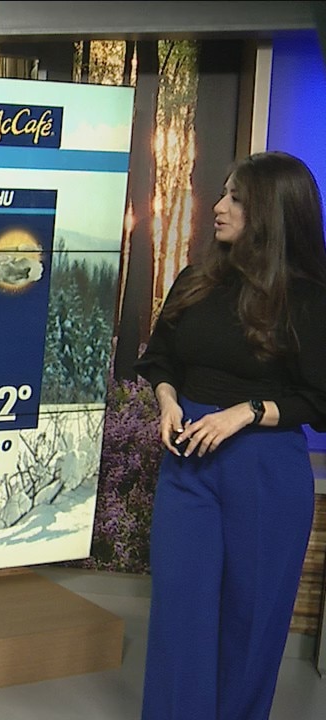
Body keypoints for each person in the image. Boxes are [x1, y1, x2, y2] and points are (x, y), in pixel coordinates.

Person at [134, 150, 326, 720]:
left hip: (264, 468)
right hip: (188, 463)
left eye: (236, 199)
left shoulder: (309, 299)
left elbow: (319, 399)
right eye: (223, 193)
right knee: (179, 613)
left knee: (251, 619)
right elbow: (161, 357)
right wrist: (168, 400)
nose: (218, 207)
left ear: (270, 212)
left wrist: (247, 412)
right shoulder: (196, 281)